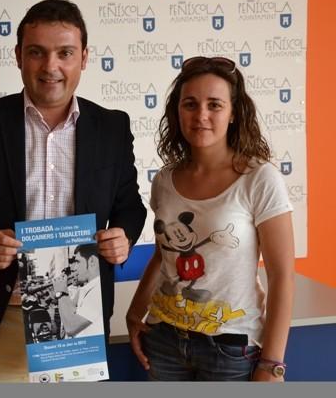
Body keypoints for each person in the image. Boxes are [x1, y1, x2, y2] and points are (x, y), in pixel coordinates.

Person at [0, 0, 147, 382]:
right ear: (18, 56)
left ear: (84, 57)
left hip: (77, 316)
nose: (51, 66)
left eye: (65, 53)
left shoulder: (111, 128)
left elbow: (130, 206)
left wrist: (124, 236)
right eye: (37, 52)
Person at [125, 56, 295, 381]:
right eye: (190, 104)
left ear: (234, 113)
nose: (201, 115)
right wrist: (135, 313)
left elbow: (282, 276)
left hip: (231, 349)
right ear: (178, 112)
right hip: (163, 341)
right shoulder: (165, 180)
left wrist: (272, 364)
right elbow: (163, 255)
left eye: (214, 105)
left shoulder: (259, 178)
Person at [52, 244, 104, 338]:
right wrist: (62, 291)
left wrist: (61, 292)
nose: (75, 268)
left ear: (92, 261)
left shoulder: (98, 290)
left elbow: (71, 327)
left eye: (78, 262)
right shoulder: (88, 289)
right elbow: (70, 312)